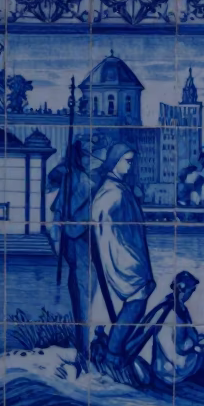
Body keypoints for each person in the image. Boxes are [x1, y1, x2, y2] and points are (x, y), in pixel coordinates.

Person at [91, 143, 156, 385]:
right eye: (127, 161)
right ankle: (113, 353)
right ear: (115, 160)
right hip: (123, 256)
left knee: (137, 300)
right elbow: (102, 223)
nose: (130, 165)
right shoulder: (112, 192)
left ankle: (114, 349)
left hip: (131, 252)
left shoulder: (119, 188)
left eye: (131, 161)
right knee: (136, 302)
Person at [47, 138, 95, 364]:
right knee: (81, 293)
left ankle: (84, 347)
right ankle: (83, 349)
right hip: (77, 242)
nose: (91, 160)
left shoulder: (79, 178)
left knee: (81, 292)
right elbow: (52, 183)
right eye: (87, 155)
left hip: (76, 241)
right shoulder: (79, 178)